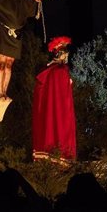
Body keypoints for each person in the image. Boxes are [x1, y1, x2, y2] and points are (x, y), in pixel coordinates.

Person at [32, 36, 76, 164]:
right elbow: (62, 96)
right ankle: (61, 157)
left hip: (52, 112)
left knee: (52, 128)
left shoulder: (49, 71)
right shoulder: (60, 71)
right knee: (61, 131)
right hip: (62, 112)